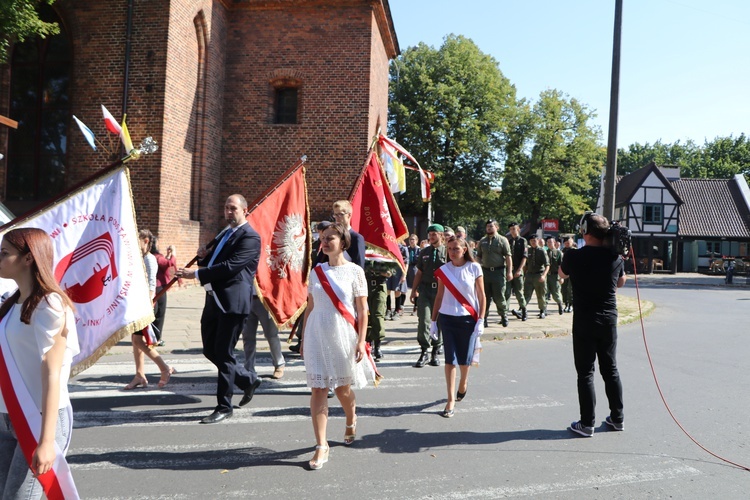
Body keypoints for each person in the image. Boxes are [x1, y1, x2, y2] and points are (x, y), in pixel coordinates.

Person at [0, 227, 80, 498]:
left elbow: (52, 372)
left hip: (38, 418)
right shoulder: (11, 305)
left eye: (4, 253)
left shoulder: (50, 304)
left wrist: (46, 441)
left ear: (27, 258)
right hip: (6, 416)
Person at [176, 194, 262, 424]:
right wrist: (204, 259)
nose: (228, 211)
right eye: (226, 208)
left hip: (233, 302)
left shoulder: (250, 237)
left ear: (245, 210)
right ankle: (246, 380)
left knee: (224, 354)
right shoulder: (226, 234)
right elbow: (215, 263)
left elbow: (230, 267)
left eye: (233, 208)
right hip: (214, 299)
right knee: (210, 350)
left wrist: (194, 273)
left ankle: (224, 406)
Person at [301, 223, 371, 470]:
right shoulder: (316, 271)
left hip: (343, 334)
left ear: (343, 242)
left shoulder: (354, 271)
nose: (325, 241)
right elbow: (310, 306)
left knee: (342, 389)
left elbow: (362, 310)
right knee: (318, 388)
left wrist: (361, 340)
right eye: (322, 238)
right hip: (316, 334)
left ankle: (351, 418)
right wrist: (302, 338)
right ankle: (321, 445)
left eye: (330, 237)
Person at [559, 213, 626, 437]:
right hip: (608, 319)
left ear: (584, 230)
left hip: (585, 320)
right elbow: (621, 281)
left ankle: (587, 423)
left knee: (586, 372)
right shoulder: (615, 258)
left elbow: (562, 273)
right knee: (611, 369)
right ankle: (617, 418)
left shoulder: (573, 256)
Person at [430, 236, 485, 418]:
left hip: (468, 319)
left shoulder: (474, 268)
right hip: (447, 318)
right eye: (450, 249)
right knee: (450, 360)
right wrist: (433, 321)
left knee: (465, 359)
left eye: (456, 249)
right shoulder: (444, 270)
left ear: (465, 249)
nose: (453, 252)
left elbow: (481, 296)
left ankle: (464, 382)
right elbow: (439, 296)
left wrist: (481, 320)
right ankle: (450, 399)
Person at [124, 230, 174, 390]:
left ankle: (164, 368)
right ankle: (139, 375)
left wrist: (149, 302)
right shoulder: (141, 258)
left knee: (139, 340)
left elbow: (152, 283)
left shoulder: (149, 259)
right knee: (135, 338)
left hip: (151, 301)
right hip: (141, 300)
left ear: (145, 241)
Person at [410, 224, 446, 367]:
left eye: (434, 234)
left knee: (438, 321)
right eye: (430, 234)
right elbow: (419, 272)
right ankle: (424, 350)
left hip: (441, 291)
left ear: (441, 235)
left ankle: (436, 350)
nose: (431, 237)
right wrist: (413, 290)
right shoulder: (424, 251)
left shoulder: (447, 252)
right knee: (424, 320)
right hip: (425, 290)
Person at [476, 219, 513, 328]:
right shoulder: (482, 241)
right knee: (485, 296)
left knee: (499, 296)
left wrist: (509, 272)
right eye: (487, 226)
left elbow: (508, 256)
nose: (489, 228)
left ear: (497, 227)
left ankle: (503, 315)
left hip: (498, 272)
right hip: (485, 272)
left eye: (491, 226)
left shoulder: (502, 240)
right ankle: (484, 317)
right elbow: (478, 256)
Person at [241, 295, 286, 380]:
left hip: (265, 300)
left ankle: (279, 364)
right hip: (247, 298)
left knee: (271, 335)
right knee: (247, 336)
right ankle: (249, 368)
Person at [151, 235, 175, 345]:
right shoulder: (156, 256)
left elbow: (163, 263)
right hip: (159, 287)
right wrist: (174, 254)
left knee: (154, 312)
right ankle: (156, 338)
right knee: (159, 313)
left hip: (154, 286)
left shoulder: (151, 256)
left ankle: (151, 336)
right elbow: (168, 264)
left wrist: (168, 255)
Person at [505, 222, 529, 321]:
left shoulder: (523, 241)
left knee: (519, 292)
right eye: (511, 229)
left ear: (518, 229)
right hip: (509, 270)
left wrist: (520, 270)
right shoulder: (509, 241)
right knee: (506, 292)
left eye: (514, 229)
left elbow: (525, 257)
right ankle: (504, 314)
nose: (512, 231)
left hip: (518, 270)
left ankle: (524, 311)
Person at [523, 237, 549, 318]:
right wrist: (524, 274)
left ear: (538, 241)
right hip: (529, 275)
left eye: (534, 240)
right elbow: (526, 264)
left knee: (541, 294)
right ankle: (522, 309)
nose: (533, 242)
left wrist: (544, 275)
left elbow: (547, 265)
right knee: (526, 294)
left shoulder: (542, 251)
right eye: (531, 241)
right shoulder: (528, 250)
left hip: (539, 274)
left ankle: (542, 311)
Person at [546, 237, 564, 315]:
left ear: (554, 243)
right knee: (545, 292)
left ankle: (560, 305)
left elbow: (561, 266)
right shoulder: (545, 252)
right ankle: (543, 310)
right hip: (546, 275)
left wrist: (561, 277)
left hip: (555, 275)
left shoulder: (559, 253)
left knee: (556, 292)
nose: (550, 244)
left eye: (551, 242)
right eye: (548, 242)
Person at [561, 237, 575, 312]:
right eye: (566, 243)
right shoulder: (562, 251)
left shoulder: (575, 251)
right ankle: (566, 304)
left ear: (572, 242)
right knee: (564, 289)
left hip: (572, 273)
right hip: (564, 272)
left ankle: (570, 304)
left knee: (570, 289)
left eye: (568, 242)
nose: (567, 244)